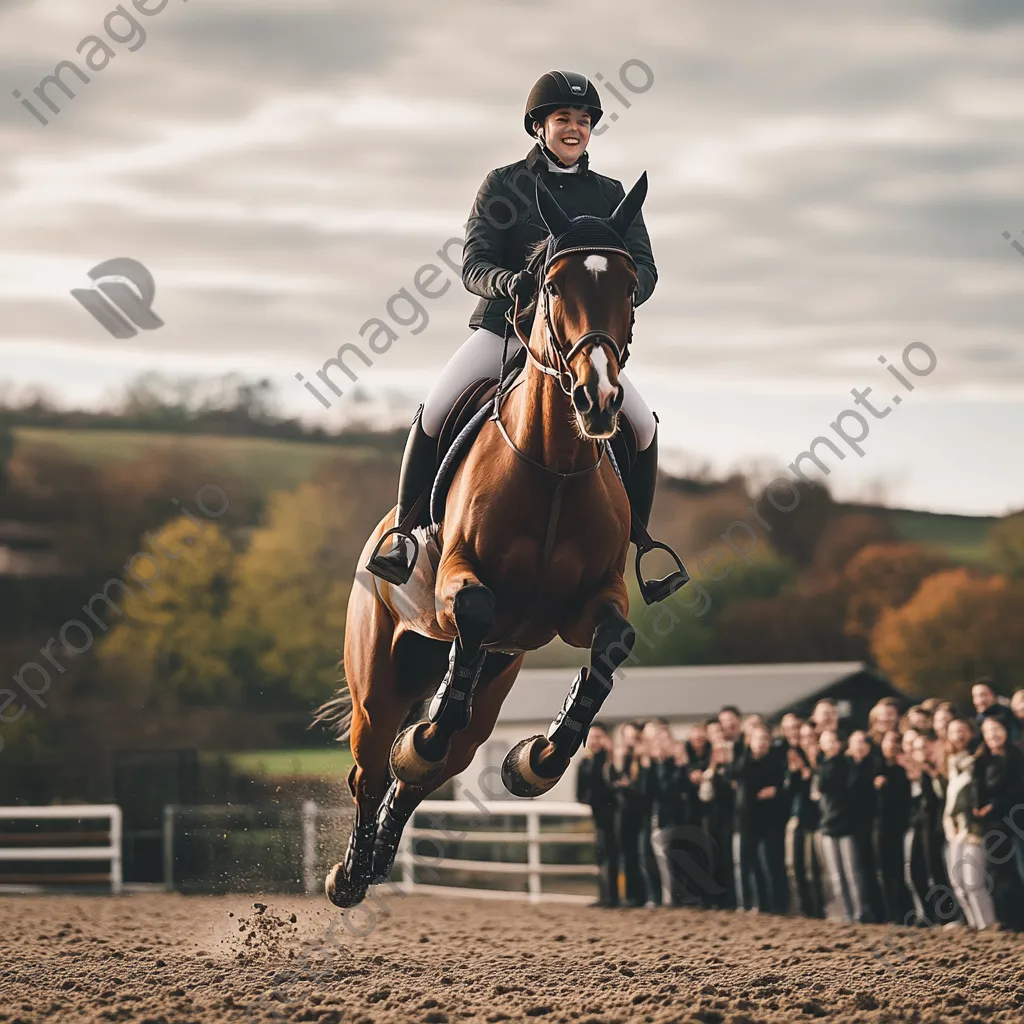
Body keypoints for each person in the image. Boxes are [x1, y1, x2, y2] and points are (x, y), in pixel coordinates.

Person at [365, 70, 680, 596]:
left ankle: (640, 547)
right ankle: (405, 534)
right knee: (435, 410)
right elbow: (473, 263)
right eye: (563, 120)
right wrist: (511, 283)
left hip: (581, 342)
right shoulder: (504, 183)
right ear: (540, 126)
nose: (574, 129)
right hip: (503, 330)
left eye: (583, 121)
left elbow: (644, 267)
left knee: (642, 425)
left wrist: (621, 292)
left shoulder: (611, 195)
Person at [942, 718, 997, 930]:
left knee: (974, 880)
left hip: (973, 828)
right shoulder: (951, 762)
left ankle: (988, 924)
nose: (959, 736)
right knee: (957, 882)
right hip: (953, 827)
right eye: (954, 731)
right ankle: (973, 922)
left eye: (963, 730)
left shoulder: (978, 761)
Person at [973, 716, 1024, 930]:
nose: (993, 735)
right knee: (999, 872)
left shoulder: (1017, 756)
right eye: (988, 731)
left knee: (1019, 869)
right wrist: (979, 807)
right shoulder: (981, 760)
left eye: (997, 729)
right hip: (992, 824)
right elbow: (977, 789)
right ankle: (1008, 919)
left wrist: (996, 805)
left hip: (1016, 821)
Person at [732, 723, 786, 913]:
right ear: (749, 741)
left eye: (765, 739)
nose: (761, 743)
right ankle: (756, 903)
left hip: (771, 819)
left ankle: (776, 905)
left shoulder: (777, 761)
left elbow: (785, 786)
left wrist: (776, 791)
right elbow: (735, 774)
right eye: (757, 739)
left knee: (770, 863)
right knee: (750, 863)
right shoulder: (743, 761)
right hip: (748, 819)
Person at [816, 729, 865, 923]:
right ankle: (845, 912)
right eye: (825, 741)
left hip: (847, 823)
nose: (829, 745)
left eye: (832, 740)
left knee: (852, 872)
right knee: (836, 875)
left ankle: (859, 912)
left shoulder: (847, 764)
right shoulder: (822, 765)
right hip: (828, 824)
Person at [576, 722, 618, 907]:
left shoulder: (609, 761)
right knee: (603, 855)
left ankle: (613, 897)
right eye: (591, 737)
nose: (594, 741)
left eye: (598, 737)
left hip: (613, 815)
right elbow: (580, 792)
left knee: (612, 855)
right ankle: (605, 896)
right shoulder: (585, 762)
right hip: (599, 815)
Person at [873, 730, 912, 924]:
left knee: (901, 871)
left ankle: (906, 913)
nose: (891, 746)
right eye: (887, 742)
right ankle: (892, 914)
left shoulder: (903, 769)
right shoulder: (876, 767)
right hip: (881, 826)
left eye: (895, 742)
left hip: (901, 824)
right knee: (885, 871)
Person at [847, 730, 885, 922]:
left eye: (863, 742)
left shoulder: (876, 764)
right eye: (855, 742)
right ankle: (866, 909)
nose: (859, 747)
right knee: (861, 867)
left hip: (876, 821)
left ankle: (881, 910)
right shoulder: (847, 766)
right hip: (855, 823)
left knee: (875, 866)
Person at [971, 679, 1019, 746]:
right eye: (975, 696)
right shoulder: (977, 720)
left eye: (984, 695)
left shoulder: (1008, 715)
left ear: (994, 696)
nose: (979, 700)